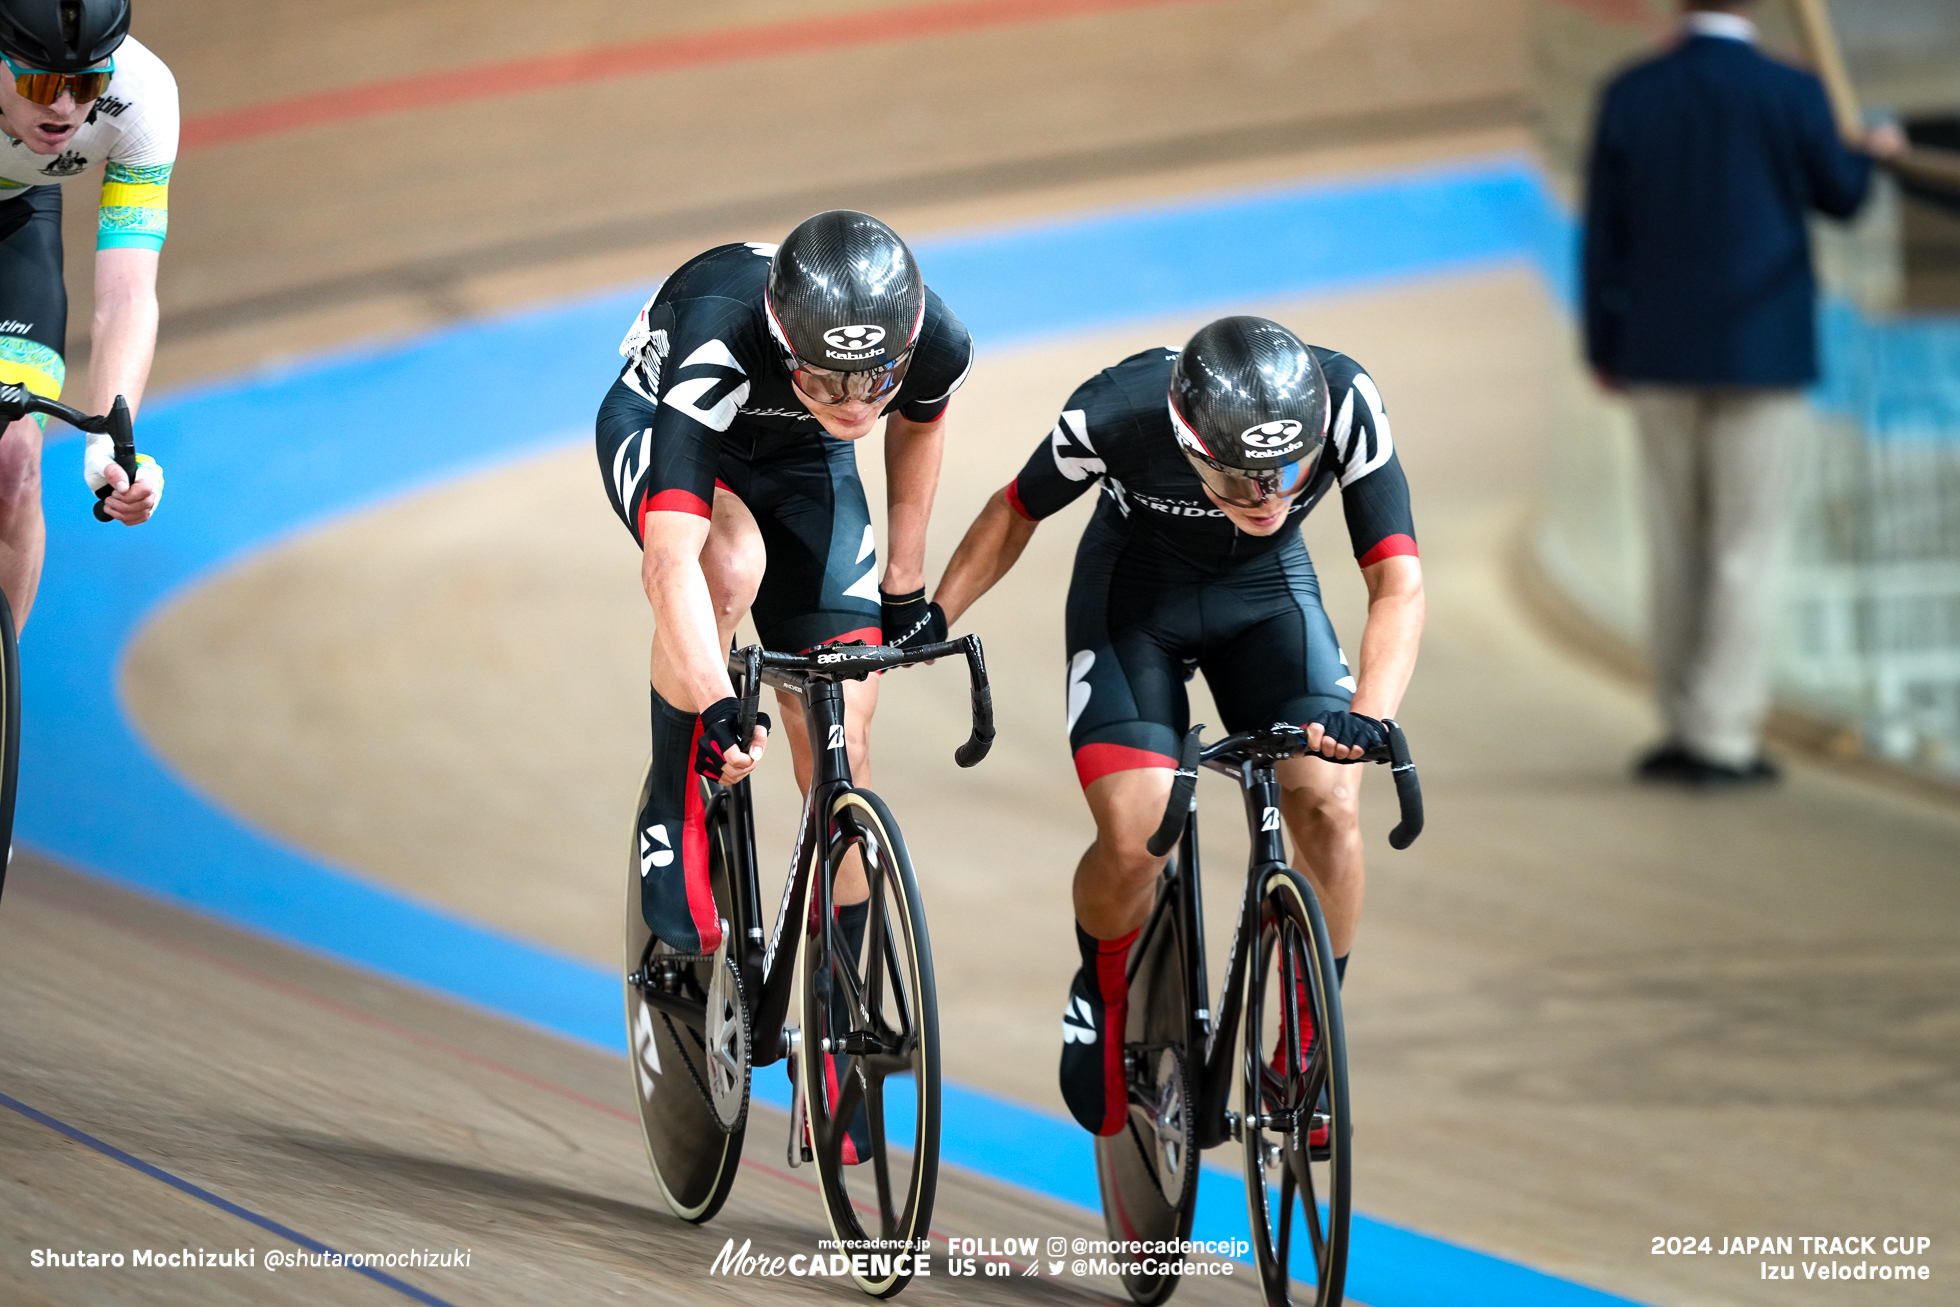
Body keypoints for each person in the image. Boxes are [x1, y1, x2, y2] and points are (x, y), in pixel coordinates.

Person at [928, 316, 1422, 1135]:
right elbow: (1015, 511)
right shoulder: (1115, 412)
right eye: (1237, 480)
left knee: (1331, 806)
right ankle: (1103, 985)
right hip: (1135, 603)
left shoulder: (1346, 402)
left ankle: (1302, 1046)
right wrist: (934, 617)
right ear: (1188, 446)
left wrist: (1370, 713)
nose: (1265, 497)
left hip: (1270, 603)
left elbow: (1397, 583)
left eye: (1283, 475)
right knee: (1138, 833)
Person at [594, 210, 972, 961]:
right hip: (670, 428)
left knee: (844, 732)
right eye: (829, 377)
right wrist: (717, 703)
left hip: (804, 458)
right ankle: (672, 813)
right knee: (727, 563)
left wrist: (905, 583)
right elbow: (669, 562)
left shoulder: (934, 341)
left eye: (875, 379)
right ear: (782, 341)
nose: (857, 403)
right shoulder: (721, 336)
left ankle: (842, 1002)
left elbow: (918, 425)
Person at [1582, 0, 1905, 787]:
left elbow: (1602, 236)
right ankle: (1722, 734)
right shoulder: (1795, 92)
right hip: (1765, 354)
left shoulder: (1632, 90)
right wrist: (1877, 146)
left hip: (1658, 352)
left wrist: (1604, 345)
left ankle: (1680, 718)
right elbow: (1843, 194)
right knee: (1746, 552)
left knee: (1674, 540)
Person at [0, 0, 168, 624]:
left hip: (13, 211)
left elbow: (127, 293)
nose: (65, 109)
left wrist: (108, 444)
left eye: (86, 84)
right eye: (41, 83)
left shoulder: (144, 96)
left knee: (14, 459)